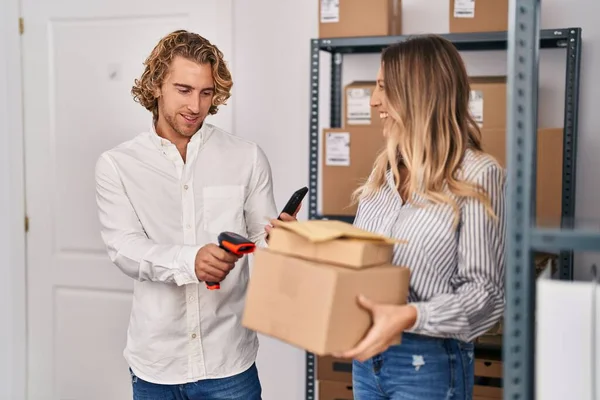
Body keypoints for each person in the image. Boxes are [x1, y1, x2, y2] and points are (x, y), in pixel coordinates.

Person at [94, 30, 294, 400]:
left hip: (229, 361)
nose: (196, 106)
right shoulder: (118, 165)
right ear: (156, 86)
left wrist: (281, 239)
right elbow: (124, 247)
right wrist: (191, 260)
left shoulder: (246, 157)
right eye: (184, 90)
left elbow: (260, 237)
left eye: (206, 93)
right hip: (156, 363)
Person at [327, 35, 506, 399]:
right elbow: (366, 266)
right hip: (367, 358)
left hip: (427, 362)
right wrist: (302, 243)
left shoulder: (477, 174)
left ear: (417, 93)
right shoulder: (384, 175)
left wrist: (410, 315)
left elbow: (486, 298)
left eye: (382, 87)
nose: (374, 100)